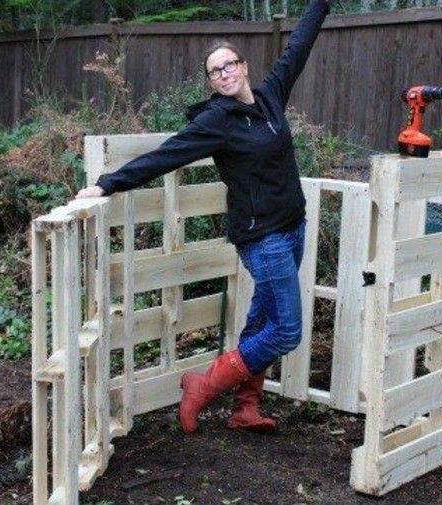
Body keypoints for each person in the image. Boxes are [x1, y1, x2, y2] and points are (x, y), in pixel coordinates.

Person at [76, 0, 331, 434]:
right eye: (215, 71)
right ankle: (203, 385)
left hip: (293, 227)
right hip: (263, 237)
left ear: (243, 67)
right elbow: (167, 155)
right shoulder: (218, 120)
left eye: (230, 64)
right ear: (211, 81)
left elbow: (298, 47)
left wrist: (320, 5)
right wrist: (108, 184)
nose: (225, 73)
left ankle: (245, 408)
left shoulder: (270, 96)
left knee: (262, 320)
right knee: (286, 331)